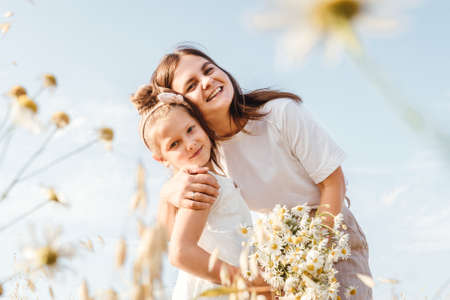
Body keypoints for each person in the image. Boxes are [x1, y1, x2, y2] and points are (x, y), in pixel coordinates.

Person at [144, 46, 373, 299]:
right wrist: (168, 193)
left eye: (208, 70)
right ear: (183, 106)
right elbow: (173, 239)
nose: (207, 82)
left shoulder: (279, 114)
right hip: (277, 250)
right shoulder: (203, 152)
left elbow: (333, 182)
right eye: (191, 85)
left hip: (328, 229)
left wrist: (312, 251)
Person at [130, 89, 271, 299]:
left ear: (201, 124)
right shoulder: (198, 182)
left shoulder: (209, 179)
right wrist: (244, 281)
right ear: (162, 158)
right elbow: (180, 253)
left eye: (190, 129)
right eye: (174, 144)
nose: (190, 144)